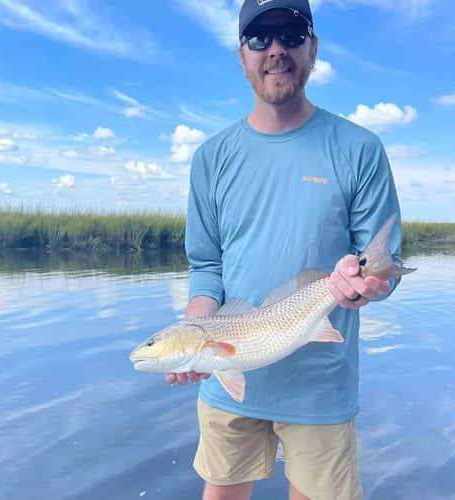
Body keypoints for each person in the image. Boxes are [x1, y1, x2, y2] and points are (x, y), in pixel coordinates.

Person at [166, 0, 403, 498]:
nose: (276, 50)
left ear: (313, 48)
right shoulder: (212, 157)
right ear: (241, 55)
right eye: (259, 38)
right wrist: (195, 331)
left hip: (321, 387)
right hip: (225, 377)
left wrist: (361, 288)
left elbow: (380, 270)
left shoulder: (359, 148)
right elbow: (207, 266)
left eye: (291, 36)